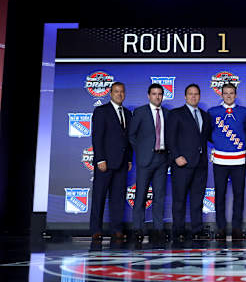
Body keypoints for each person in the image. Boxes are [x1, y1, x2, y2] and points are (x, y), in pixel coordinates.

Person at [166, 84, 212, 241]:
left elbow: (207, 138)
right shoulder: (176, 114)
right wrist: (176, 156)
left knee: (197, 199)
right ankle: (178, 230)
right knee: (179, 199)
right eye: (190, 94)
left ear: (199, 96)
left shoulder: (205, 116)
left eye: (196, 94)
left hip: (200, 164)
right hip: (182, 164)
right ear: (185, 97)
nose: (193, 96)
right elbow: (170, 138)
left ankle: (196, 229)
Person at [90, 82, 132, 241]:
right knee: (99, 196)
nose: (119, 94)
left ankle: (116, 229)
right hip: (105, 162)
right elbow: (97, 137)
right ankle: (95, 229)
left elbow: (128, 140)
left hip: (122, 163)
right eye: (116, 91)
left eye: (122, 92)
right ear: (110, 93)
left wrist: (128, 159)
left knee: (118, 198)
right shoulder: (101, 111)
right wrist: (100, 158)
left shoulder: (128, 114)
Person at [208, 83, 246, 240]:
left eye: (231, 93)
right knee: (220, 195)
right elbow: (208, 132)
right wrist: (219, 144)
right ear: (221, 95)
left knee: (239, 195)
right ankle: (221, 227)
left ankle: (237, 228)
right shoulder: (213, 112)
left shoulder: (244, 112)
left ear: (236, 94)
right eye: (225, 93)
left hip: (239, 160)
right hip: (220, 160)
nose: (228, 96)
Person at [128, 83, 169, 243]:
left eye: (159, 94)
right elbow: (131, 135)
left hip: (162, 159)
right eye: (154, 94)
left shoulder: (167, 113)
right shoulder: (140, 112)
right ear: (148, 95)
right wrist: (142, 150)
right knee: (140, 196)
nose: (157, 96)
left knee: (159, 196)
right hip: (145, 159)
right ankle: (138, 229)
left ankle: (158, 229)